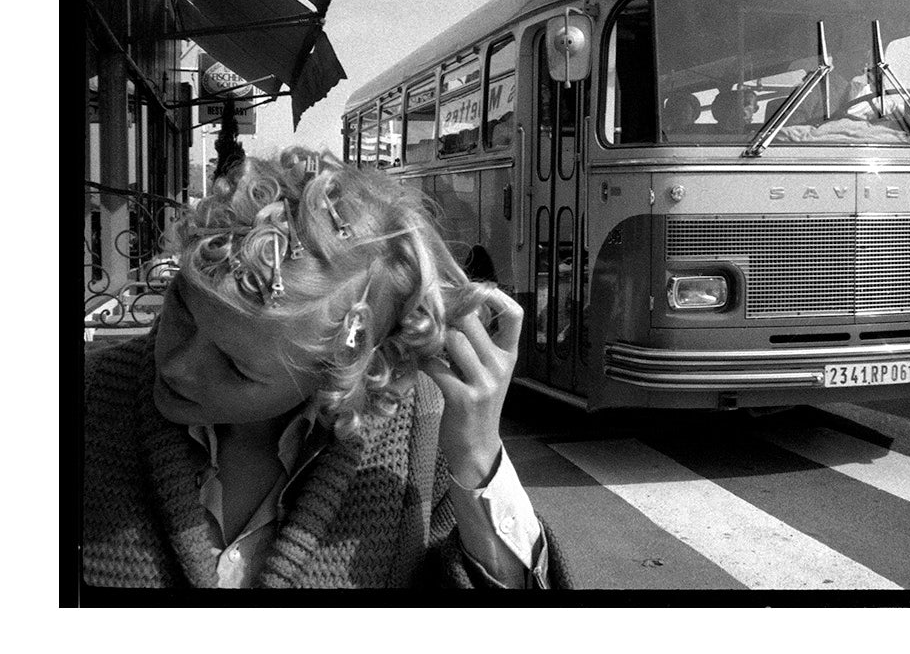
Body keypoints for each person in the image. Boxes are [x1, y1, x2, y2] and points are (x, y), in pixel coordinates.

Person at [81, 147, 562, 588]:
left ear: (341, 376)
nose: (180, 365)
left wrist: (478, 459)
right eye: (182, 311)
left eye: (235, 365)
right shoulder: (86, 401)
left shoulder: (424, 443)